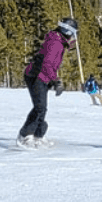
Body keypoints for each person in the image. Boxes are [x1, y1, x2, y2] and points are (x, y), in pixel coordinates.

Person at [17, 17, 77, 147]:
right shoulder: (55, 43)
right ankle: (25, 136)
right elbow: (47, 64)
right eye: (72, 33)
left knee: (42, 108)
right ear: (67, 32)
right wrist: (56, 80)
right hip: (35, 75)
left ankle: (38, 136)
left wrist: (67, 46)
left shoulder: (58, 41)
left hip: (43, 76)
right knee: (40, 107)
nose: (72, 36)